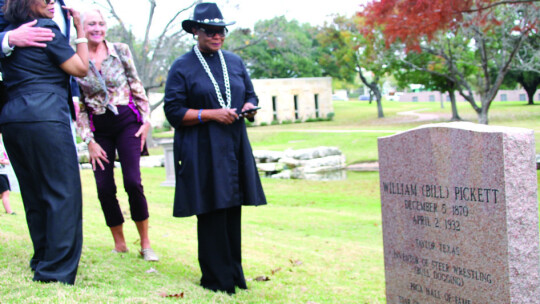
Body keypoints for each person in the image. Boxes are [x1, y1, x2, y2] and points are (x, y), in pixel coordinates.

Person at [164, 2, 267, 294]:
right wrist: (211, 114)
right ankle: (215, 280)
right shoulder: (182, 66)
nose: (217, 35)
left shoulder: (234, 61)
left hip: (233, 146)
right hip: (201, 147)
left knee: (232, 208)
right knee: (211, 209)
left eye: (221, 30)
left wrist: (249, 107)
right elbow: (174, 112)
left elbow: (250, 94)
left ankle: (234, 275)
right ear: (196, 31)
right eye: (210, 30)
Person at [0, 0, 88, 285]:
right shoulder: (44, 28)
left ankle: (43, 258)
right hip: (45, 115)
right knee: (63, 192)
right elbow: (80, 68)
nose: (53, 2)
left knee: (34, 192)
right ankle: (55, 271)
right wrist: (81, 33)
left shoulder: (16, 31)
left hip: (13, 117)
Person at [75, 8, 158, 261]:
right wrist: (88, 140)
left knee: (133, 181)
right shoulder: (75, 56)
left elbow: (136, 84)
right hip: (99, 127)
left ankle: (145, 244)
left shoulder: (120, 50)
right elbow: (77, 104)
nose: (97, 29)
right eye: (91, 24)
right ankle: (120, 243)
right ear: (82, 27)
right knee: (104, 187)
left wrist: (146, 121)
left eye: (100, 23)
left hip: (127, 122)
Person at [0, 133, 13, 215]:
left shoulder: (1, 146)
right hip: (0, 173)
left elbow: (7, 160)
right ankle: (9, 211)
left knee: (2, 194)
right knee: (5, 192)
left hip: (3, 172)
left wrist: (5, 161)